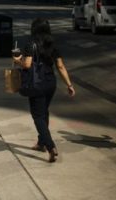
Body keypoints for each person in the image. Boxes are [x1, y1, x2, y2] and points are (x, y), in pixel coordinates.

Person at [13, 18, 75, 162]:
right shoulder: (52, 44)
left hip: (36, 83)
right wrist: (69, 84)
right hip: (50, 83)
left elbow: (27, 64)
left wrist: (18, 61)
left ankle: (50, 146)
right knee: (44, 111)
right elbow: (60, 66)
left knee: (38, 116)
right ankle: (41, 143)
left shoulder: (31, 44)